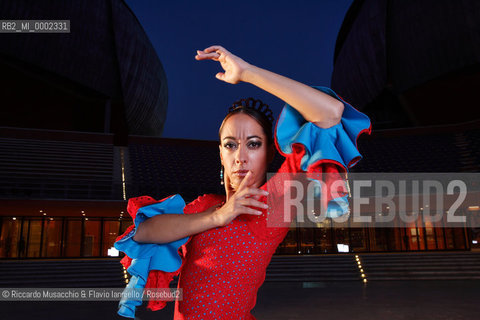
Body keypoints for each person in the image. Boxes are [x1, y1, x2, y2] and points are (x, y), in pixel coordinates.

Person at [114, 45, 371, 319]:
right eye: (230, 145)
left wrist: (247, 73)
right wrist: (218, 217)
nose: (240, 157)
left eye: (253, 144)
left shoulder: (272, 202)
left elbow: (330, 112)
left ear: (269, 152)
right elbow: (143, 232)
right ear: (221, 154)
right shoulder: (207, 205)